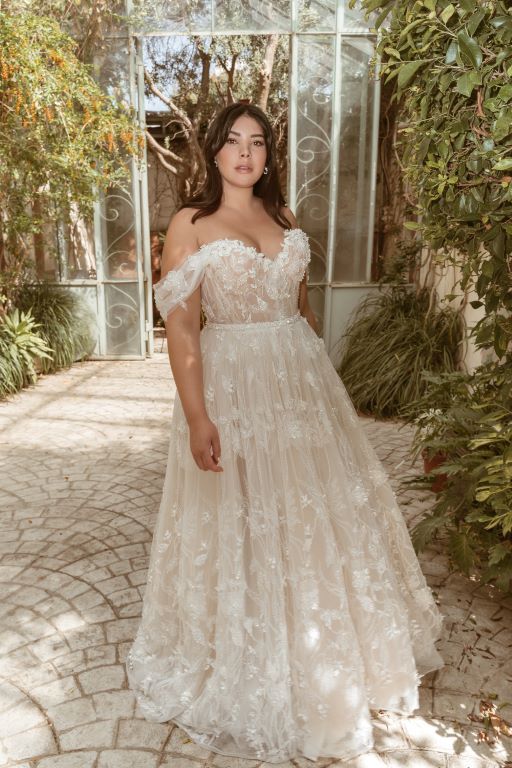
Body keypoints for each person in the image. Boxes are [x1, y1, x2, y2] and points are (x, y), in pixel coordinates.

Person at [126, 102, 444, 764]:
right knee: (240, 514)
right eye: (234, 141)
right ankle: (245, 641)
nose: (246, 153)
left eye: (258, 142)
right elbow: (182, 327)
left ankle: (322, 640)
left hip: (298, 385)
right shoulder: (190, 223)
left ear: (268, 155)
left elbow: (301, 308)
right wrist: (198, 417)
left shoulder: (283, 217)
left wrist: (315, 384)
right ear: (213, 152)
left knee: (309, 512)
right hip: (232, 384)